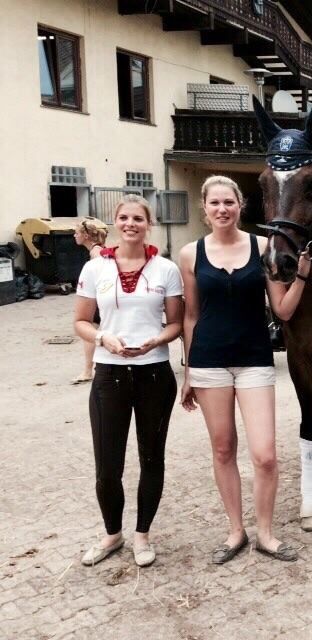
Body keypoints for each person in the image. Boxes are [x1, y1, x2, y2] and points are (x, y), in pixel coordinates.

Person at [179, 175, 311, 564]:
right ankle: (235, 530)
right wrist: (187, 371)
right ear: (205, 209)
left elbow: (282, 309)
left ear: (241, 206)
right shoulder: (190, 255)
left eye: (229, 202)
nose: (222, 209)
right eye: (215, 203)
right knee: (222, 449)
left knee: (265, 454)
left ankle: (266, 533)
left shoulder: (262, 247)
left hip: (254, 360)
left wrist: (301, 273)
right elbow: (190, 317)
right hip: (208, 363)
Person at [74, 195, 183, 568]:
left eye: (138, 218)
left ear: (148, 224)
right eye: (124, 217)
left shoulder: (166, 269)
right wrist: (102, 338)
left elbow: (176, 324)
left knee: (152, 458)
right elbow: (81, 322)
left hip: (154, 373)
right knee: (107, 464)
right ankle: (112, 534)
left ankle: (142, 535)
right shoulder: (95, 270)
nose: (131, 223)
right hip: (109, 374)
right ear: (114, 222)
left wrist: (158, 339)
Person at [72, 218, 108, 384]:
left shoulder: (96, 253)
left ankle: (88, 370)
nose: (74, 235)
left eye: (77, 233)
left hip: (99, 298)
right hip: (100, 297)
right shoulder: (97, 250)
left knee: (89, 332)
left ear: (85, 235)